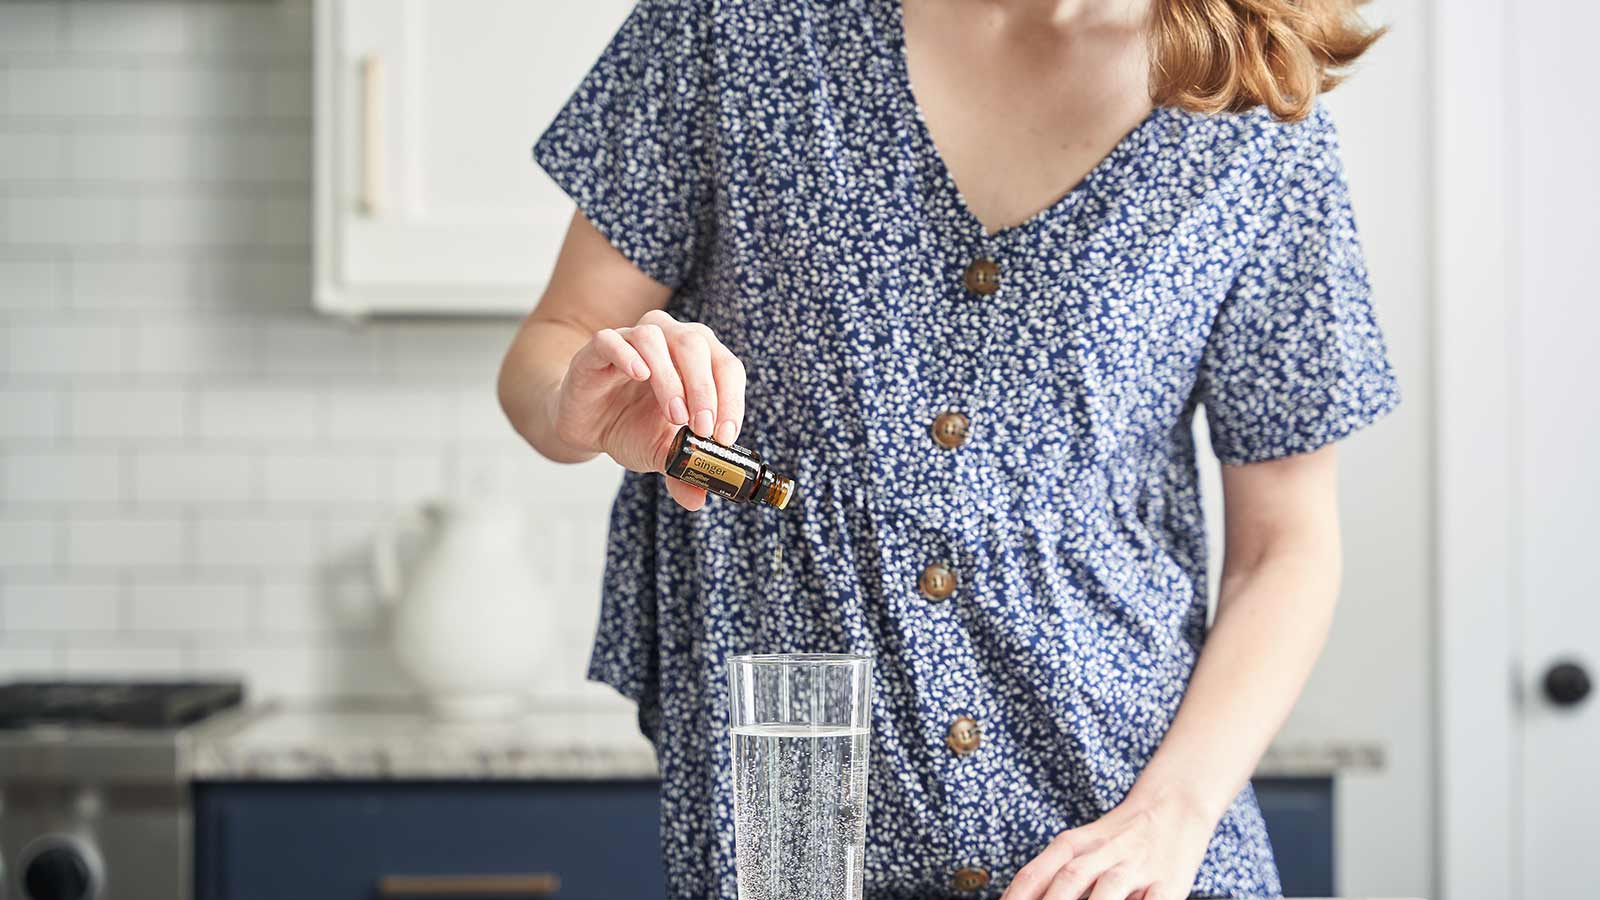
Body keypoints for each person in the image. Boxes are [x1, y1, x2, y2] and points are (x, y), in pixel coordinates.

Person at [498, 0, 1398, 896]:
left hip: (1126, 829)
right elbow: (556, 342)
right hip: (799, 816)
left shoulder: (1251, 100)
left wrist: (1173, 815)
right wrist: (584, 405)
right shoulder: (733, 27)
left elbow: (1287, 545)